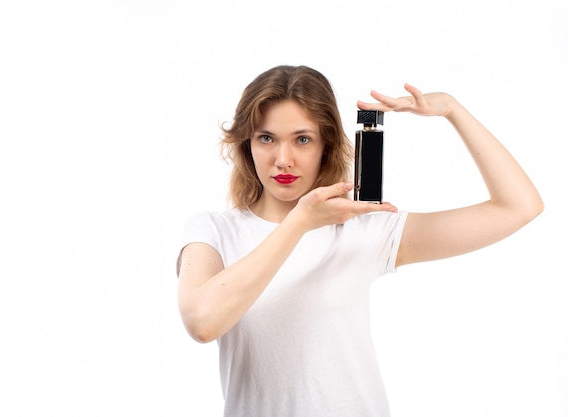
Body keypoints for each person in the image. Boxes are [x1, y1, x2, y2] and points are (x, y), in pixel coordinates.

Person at [175, 65, 543, 417]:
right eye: (266, 138)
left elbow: (519, 207)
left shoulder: (364, 230)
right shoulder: (212, 230)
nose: (283, 159)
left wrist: (451, 108)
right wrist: (299, 223)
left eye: (302, 139)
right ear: (247, 144)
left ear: (326, 145)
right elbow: (203, 323)